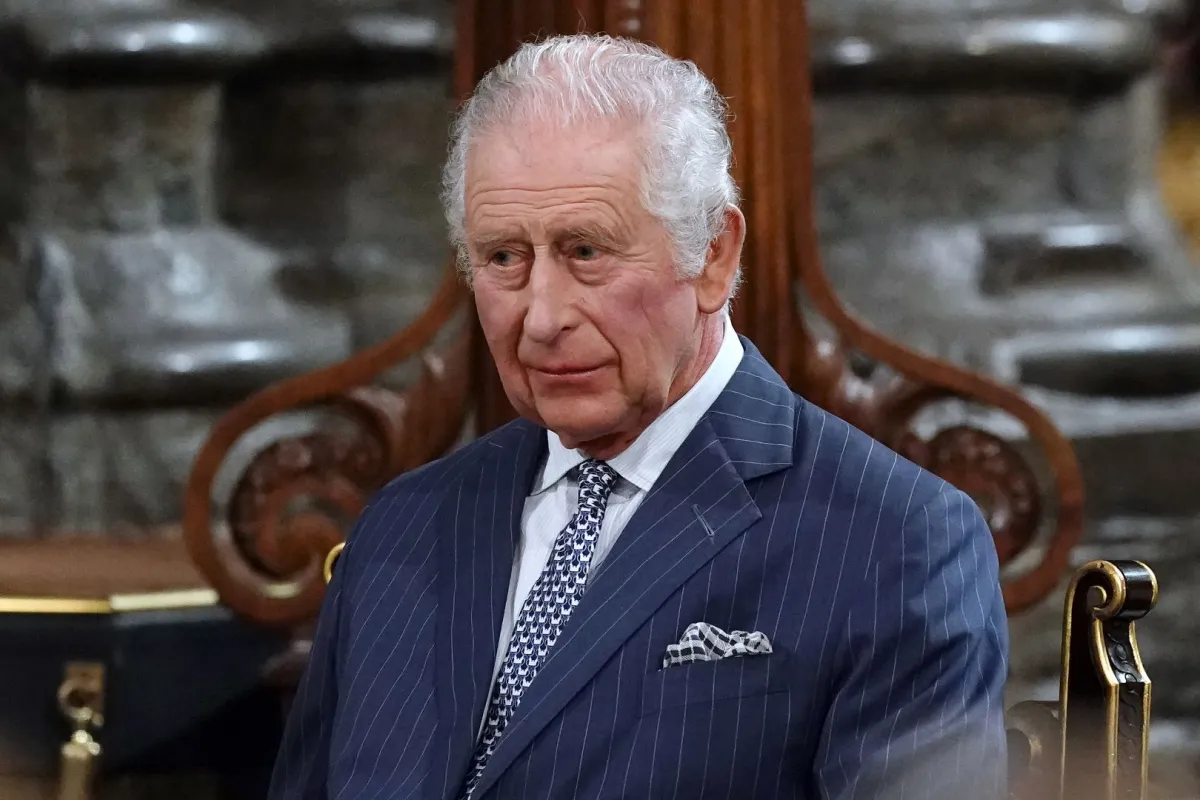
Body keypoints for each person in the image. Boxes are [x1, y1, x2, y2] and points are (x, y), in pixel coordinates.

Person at [268, 33, 1008, 800]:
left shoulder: (894, 543)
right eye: (503, 259)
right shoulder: (403, 528)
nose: (543, 316)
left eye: (586, 251)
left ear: (713, 256)